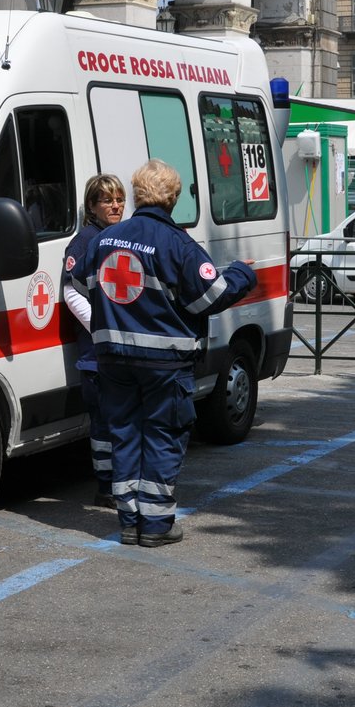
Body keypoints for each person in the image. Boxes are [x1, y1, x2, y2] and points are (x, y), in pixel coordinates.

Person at [69, 159, 256, 547]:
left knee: (122, 435)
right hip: (163, 363)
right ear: (172, 198)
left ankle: (127, 521)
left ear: (137, 196)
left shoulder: (105, 239)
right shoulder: (178, 244)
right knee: (162, 435)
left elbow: (82, 281)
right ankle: (155, 525)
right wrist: (242, 272)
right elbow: (213, 296)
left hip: (113, 359)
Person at [61, 173, 127, 508]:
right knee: (104, 424)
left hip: (122, 348)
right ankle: (105, 487)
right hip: (97, 353)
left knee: (122, 421)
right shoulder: (85, 240)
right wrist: (100, 328)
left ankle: (122, 481)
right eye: (107, 200)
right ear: (91, 206)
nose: (115, 205)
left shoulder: (124, 235)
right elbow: (70, 291)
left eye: (119, 199)